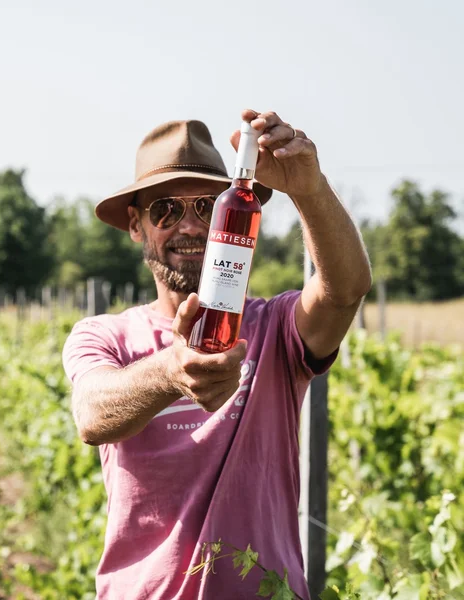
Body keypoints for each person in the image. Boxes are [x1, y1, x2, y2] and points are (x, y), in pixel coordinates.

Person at [61, 110, 372, 600]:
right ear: (136, 226)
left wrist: (308, 190)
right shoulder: (105, 336)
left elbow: (345, 290)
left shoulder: (275, 328)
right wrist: (170, 370)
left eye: (207, 206)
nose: (188, 225)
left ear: (231, 217)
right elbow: (93, 413)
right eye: (165, 209)